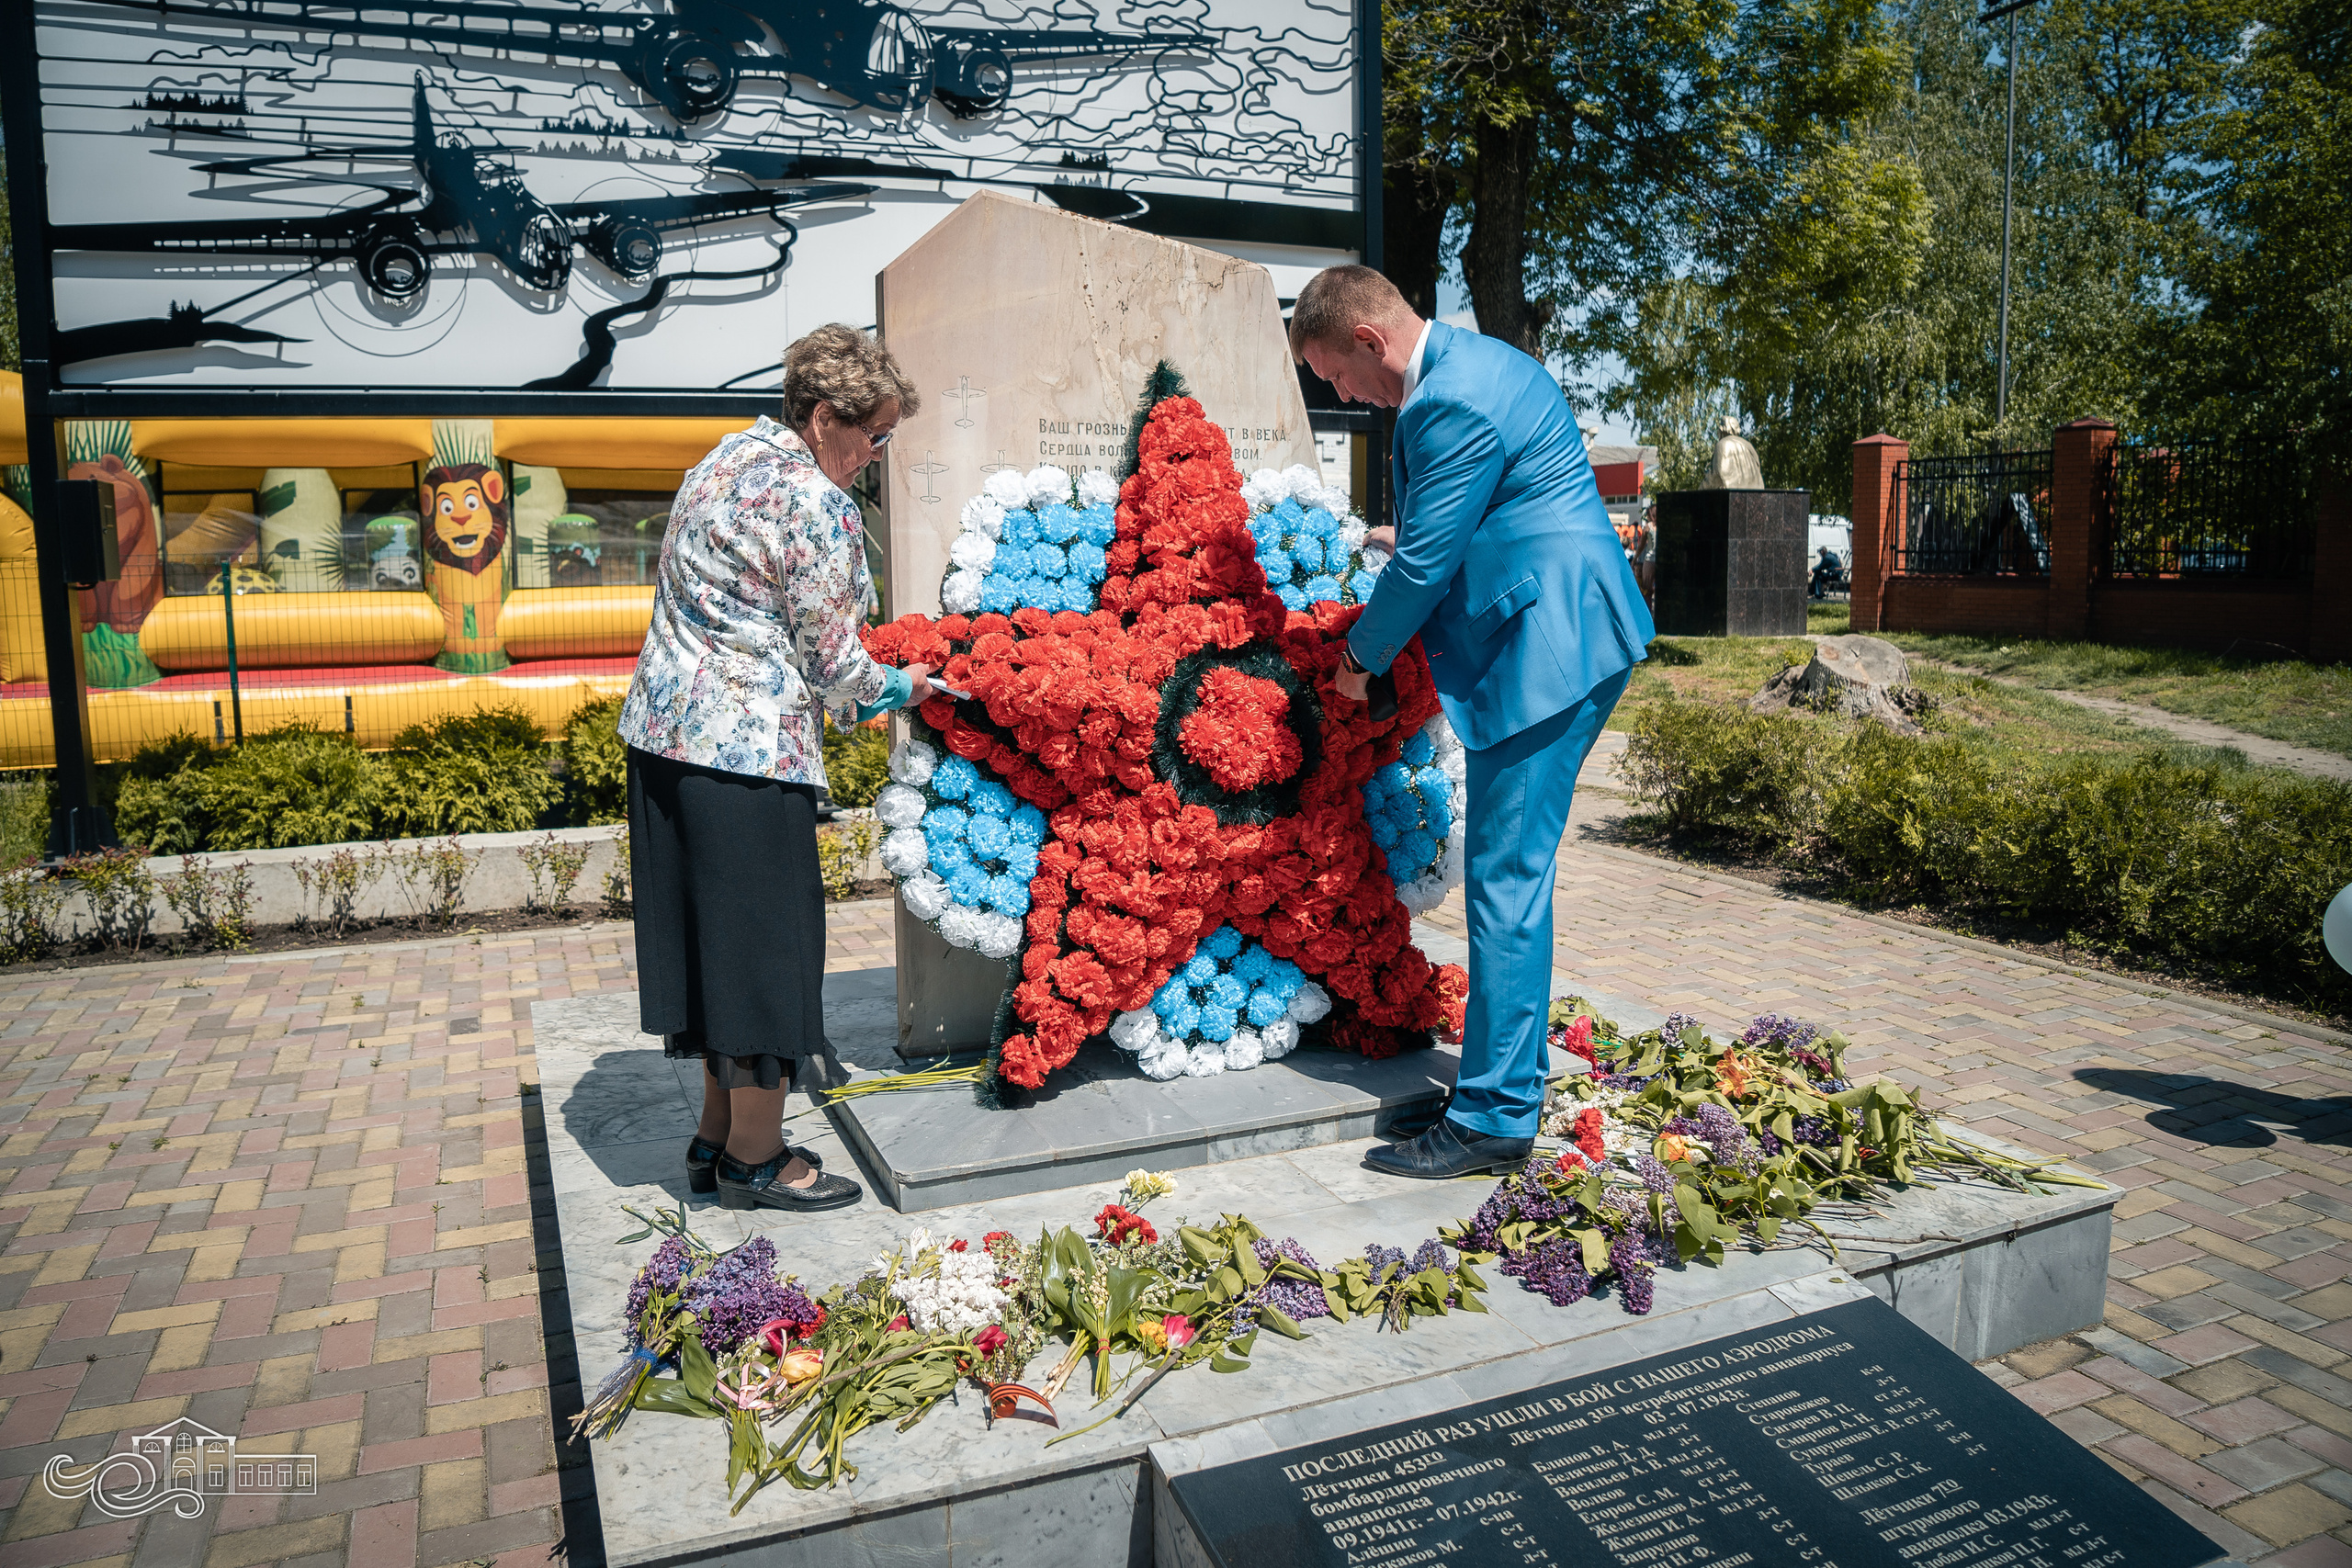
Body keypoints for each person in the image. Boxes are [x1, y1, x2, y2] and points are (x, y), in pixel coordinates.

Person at [1291, 266, 1655, 1179]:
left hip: (1546, 652)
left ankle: (1493, 1119)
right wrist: (1395, 536)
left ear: (1368, 341)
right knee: (1511, 876)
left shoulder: (1441, 403)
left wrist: (1355, 665)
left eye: (1334, 375)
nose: (1341, 395)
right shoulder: (1480, 364)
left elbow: (1421, 574)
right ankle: (1511, 1083)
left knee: (1503, 881)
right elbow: (1477, 513)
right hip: (1563, 625)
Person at [620, 324, 935, 1213]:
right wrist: (914, 685)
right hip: (746, 754)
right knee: (764, 957)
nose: (875, 457)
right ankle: (758, 1160)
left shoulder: (723, 458)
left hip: (664, 739)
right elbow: (837, 667)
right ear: (827, 416)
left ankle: (716, 1136)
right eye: (873, 436)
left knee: (712, 952)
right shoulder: (815, 503)